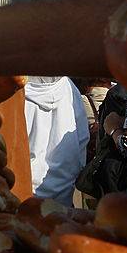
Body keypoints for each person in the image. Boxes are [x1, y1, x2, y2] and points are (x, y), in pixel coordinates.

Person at [23, 76, 90, 207]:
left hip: (24, 195)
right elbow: (82, 138)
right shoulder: (69, 87)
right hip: (63, 193)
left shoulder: (12, 93)